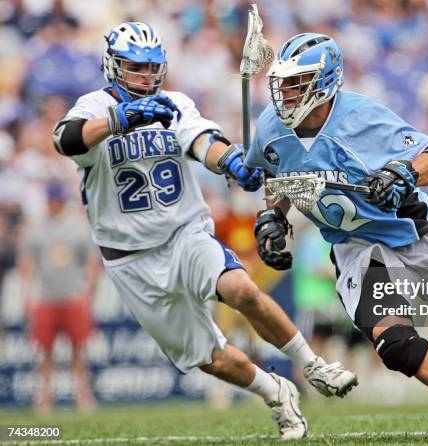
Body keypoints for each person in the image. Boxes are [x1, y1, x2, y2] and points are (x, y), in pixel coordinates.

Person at [52, 23, 357, 440]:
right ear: (113, 65)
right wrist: (118, 120)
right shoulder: (92, 107)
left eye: (151, 67)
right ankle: (275, 391)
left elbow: (202, 142)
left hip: (184, 233)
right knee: (208, 357)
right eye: (134, 67)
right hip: (130, 259)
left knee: (242, 290)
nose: (144, 76)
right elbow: (66, 140)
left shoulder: (172, 103)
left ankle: (312, 364)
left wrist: (230, 161)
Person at [246, 33, 428, 442]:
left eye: (297, 82)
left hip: (410, 230)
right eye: (283, 82)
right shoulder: (271, 128)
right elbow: (275, 172)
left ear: (325, 82)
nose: (285, 92)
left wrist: (404, 173)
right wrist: (273, 214)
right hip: (355, 247)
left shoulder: (363, 118)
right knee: (394, 344)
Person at [19, 180, 99, 414]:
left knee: (78, 350)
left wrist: (88, 291)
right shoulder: (36, 228)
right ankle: (44, 395)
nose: (54, 204)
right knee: (45, 352)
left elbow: (92, 261)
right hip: (46, 297)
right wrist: (28, 294)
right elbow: (27, 263)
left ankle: (82, 394)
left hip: (72, 295)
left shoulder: (76, 227)